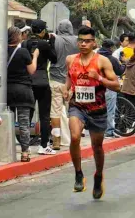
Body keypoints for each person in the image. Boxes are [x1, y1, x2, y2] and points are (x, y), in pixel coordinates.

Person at [66, 26, 121, 199]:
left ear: (94, 42)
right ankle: (78, 173)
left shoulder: (102, 61)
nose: (83, 44)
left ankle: (98, 175)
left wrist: (99, 78)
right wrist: (66, 90)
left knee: (97, 146)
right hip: (78, 106)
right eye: (81, 40)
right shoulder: (70, 59)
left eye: (87, 41)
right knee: (75, 136)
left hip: (98, 109)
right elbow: (68, 77)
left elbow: (117, 86)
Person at [26, 19, 58, 155]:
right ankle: (44, 145)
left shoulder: (25, 43)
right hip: (43, 82)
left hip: (28, 82)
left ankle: (25, 146)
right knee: (44, 116)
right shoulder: (44, 44)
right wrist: (51, 43)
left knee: (27, 115)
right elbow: (54, 58)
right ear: (43, 31)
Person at [7, 27, 38, 162]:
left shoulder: (1, 52)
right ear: (18, 37)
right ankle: (25, 153)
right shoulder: (23, 52)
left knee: (7, 122)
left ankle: (7, 150)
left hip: (6, 92)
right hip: (23, 91)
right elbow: (32, 71)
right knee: (24, 123)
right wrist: (35, 57)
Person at [49, 20, 79, 150]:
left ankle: (56, 140)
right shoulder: (78, 41)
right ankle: (74, 136)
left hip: (55, 79)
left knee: (55, 111)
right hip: (72, 81)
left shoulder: (55, 40)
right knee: (71, 110)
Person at [97, 39, 125, 138]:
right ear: (111, 47)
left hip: (97, 86)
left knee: (99, 109)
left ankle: (99, 129)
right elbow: (119, 71)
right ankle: (109, 131)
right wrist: (124, 63)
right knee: (110, 110)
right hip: (109, 86)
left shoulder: (96, 57)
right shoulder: (111, 59)